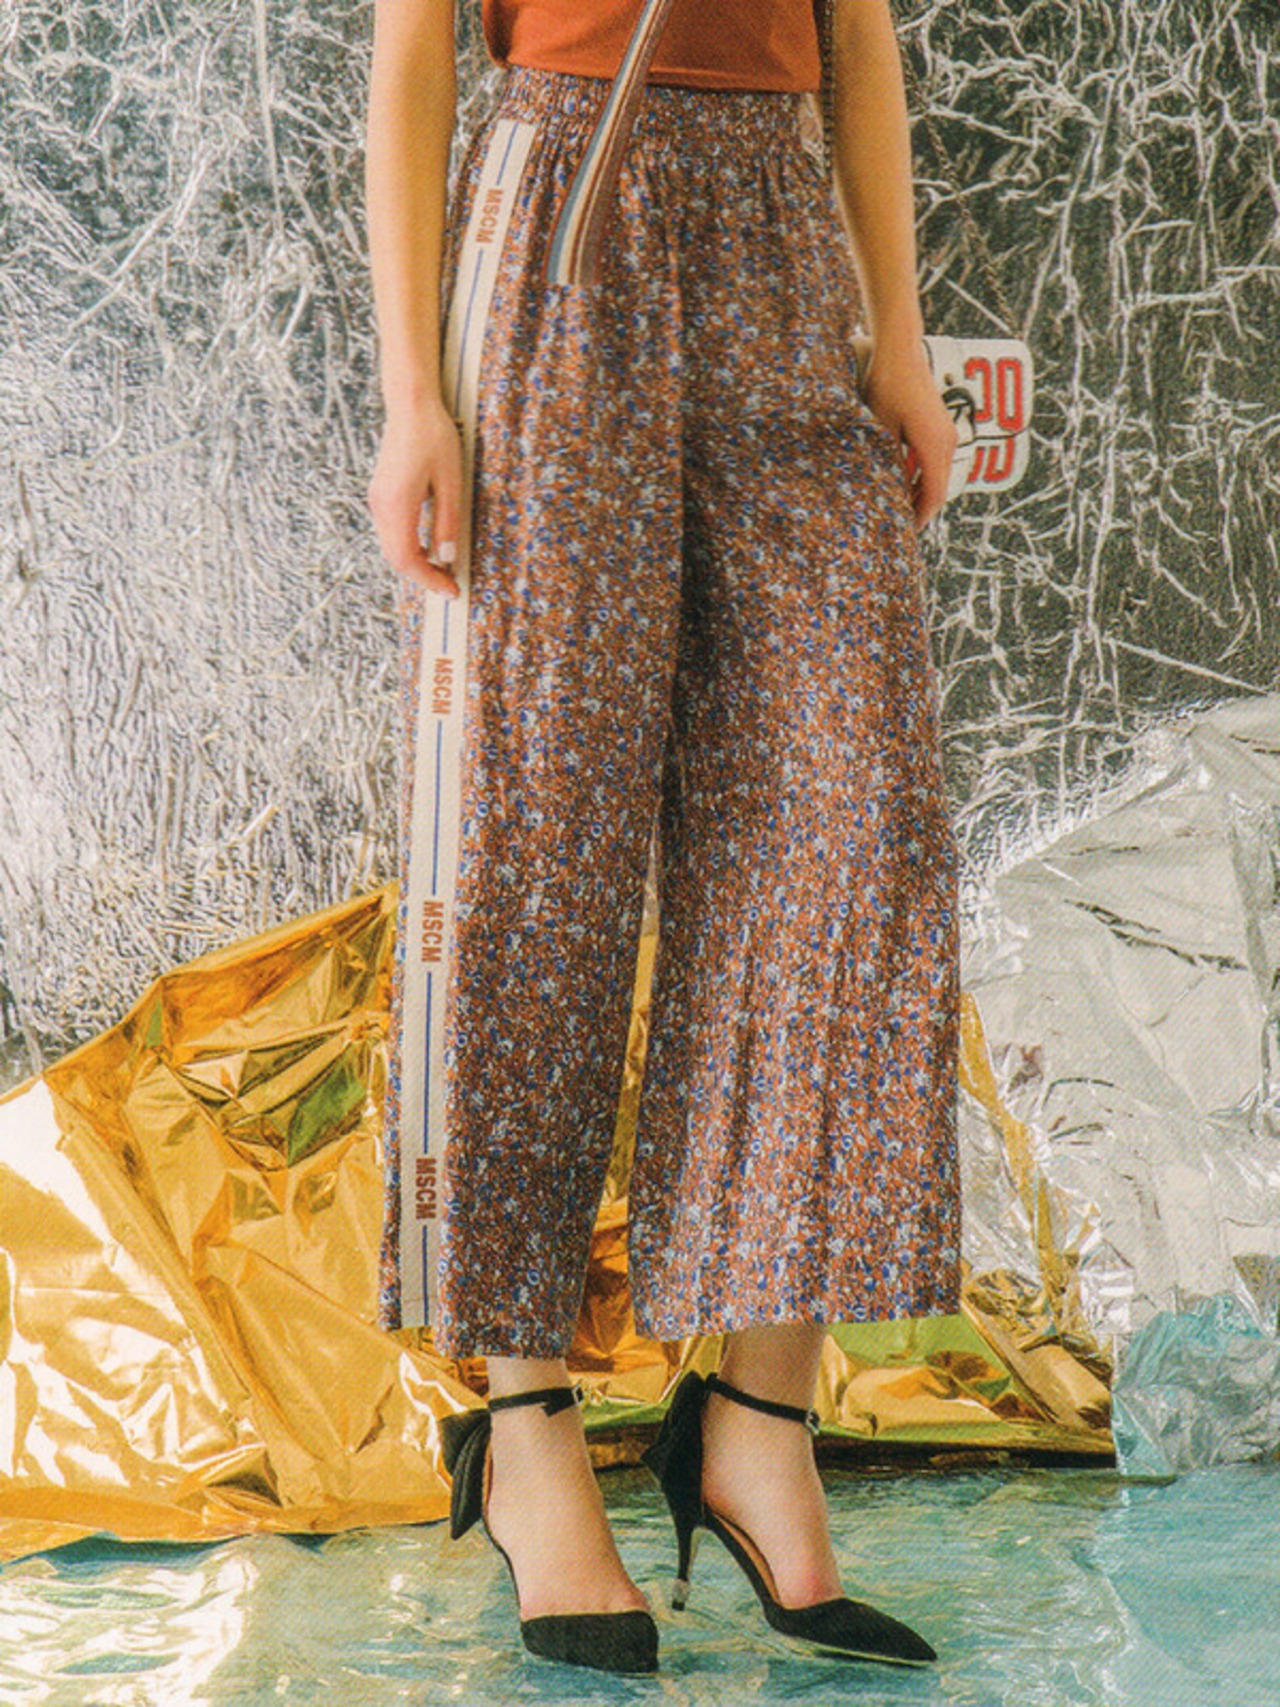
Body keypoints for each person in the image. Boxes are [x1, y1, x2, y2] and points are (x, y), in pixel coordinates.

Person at [364, 0, 960, 1677]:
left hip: (783, 225)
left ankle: (759, 1418)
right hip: (560, 200)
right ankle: (525, 1424)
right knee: (532, 828)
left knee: (851, 830)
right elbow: (413, 53)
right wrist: (413, 392)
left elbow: (857, 33)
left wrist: (900, 333)